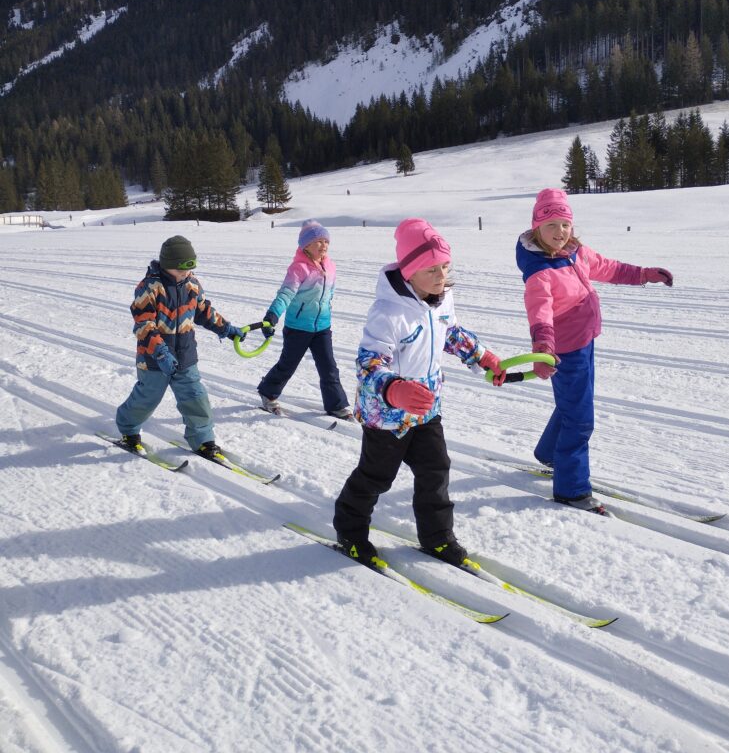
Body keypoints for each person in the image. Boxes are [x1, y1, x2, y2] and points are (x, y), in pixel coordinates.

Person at [333, 218, 506, 565]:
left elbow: (451, 334)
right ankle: (350, 532)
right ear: (409, 271)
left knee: (436, 470)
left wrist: (482, 356)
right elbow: (367, 365)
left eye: (445, 266)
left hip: (427, 409)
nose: (441, 276)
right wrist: (394, 390)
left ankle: (437, 537)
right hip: (388, 415)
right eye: (431, 269)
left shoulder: (441, 300)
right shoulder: (388, 312)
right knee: (376, 477)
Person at [517, 188, 673, 514]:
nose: (560, 232)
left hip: (585, 341)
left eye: (565, 224)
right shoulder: (540, 271)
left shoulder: (576, 252)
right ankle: (571, 491)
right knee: (580, 419)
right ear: (536, 229)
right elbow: (540, 312)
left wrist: (644, 274)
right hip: (564, 351)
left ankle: (550, 453)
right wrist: (542, 348)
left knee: (574, 403)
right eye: (551, 226)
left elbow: (609, 268)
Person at [116, 235, 245, 459]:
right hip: (154, 357)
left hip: (185, 355)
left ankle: (203, 440)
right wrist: (160, 351)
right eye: (181, 269)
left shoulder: (192, 284)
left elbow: (204, 312)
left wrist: (227, 329)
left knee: (195, 397)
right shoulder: (149, 287)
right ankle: (128, 429)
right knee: (147, 397)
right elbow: (144, 325)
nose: (186, 273)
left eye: (190, 268)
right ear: (168, 265)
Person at [258, 220, 351, 419]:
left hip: (322, 326)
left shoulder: (330, 266)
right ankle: (268, 392)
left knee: (329, 367)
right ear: (305, 245)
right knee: (288, 364)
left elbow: (330, 292)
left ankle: (336, 405)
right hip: (298, 326)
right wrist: (272, 315)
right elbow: (286, 294)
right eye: (318, 241)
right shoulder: (298, 268)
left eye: (326, 241)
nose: (324, 245)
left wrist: (327, 310)